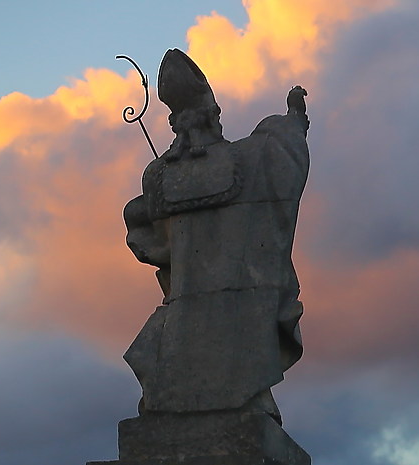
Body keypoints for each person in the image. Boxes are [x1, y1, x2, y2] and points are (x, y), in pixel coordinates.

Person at [121, 49, 310, 421]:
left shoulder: (158, 176)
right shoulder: (250, 158)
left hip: (183, 318)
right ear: (212, 114)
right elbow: (280, 150)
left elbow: (152, 240)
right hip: (240, 320)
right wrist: (293, 120)